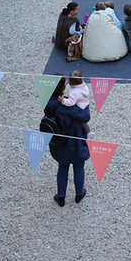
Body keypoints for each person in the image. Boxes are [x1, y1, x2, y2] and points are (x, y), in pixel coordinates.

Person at [44, 76, 90, 206]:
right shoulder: (70, 105)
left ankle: (61, 197)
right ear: (63, 87)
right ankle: (79, 194)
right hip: (76, 142)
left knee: (62, 167)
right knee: (79, 167)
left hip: (59, 142)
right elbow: (86, 116)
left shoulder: (48, 104)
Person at [60, 70, 93, 139]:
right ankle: (88, 132)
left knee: (82, 121)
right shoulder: (83, 86)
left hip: (80, 107)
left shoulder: (74, 92)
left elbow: (71, 102)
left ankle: (88, 133)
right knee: (82, 121)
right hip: (85, 104)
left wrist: (63, 100)